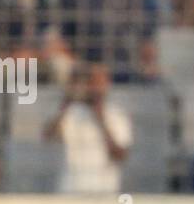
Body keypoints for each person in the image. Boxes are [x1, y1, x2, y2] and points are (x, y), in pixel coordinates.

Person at [43, 60, 131, 194]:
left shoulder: (116, 116)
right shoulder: (71, 113)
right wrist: (68, 100)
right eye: (91, 81)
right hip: (70, 191)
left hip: (104, 193)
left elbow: (120, 155)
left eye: (99, 82)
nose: (95, 87)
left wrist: (101, 119)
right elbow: (48, 136)